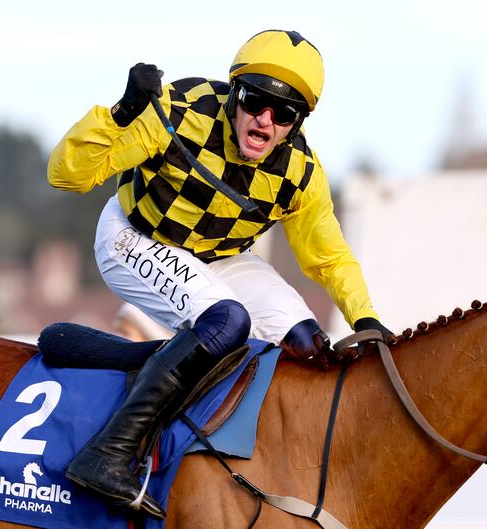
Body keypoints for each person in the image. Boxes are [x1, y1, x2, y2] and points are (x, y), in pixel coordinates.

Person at [48, 29, 392, 519]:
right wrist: (121, 114)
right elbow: (67, 175)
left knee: (308, 347)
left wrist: (365, 319)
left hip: (220, 255)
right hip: (134, 237)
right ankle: (110, 450)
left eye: (285, 112)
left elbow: (330, 257)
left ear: (298, 122)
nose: (265, 120)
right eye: (255, 100)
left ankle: (279, 472)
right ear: (236, 93)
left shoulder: (301, 173)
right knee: (227, 322)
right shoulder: (176, 114)